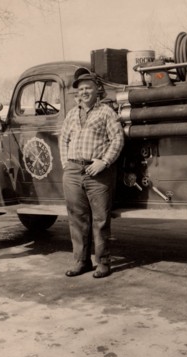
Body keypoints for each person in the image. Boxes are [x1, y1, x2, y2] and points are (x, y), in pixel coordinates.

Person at [60, 73, 124, 278]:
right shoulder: (71, 114)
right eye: (80, 89)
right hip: (72, 171)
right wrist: (66, 164)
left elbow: (118, 139)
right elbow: (63, 139)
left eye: (88, 88)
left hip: (97, 172)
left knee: (100, 219)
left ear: (97, 90)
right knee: (77, 219)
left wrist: (103, 162)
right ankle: (81, 262)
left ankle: (103, 262)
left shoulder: (106, 112)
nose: (84, 92)